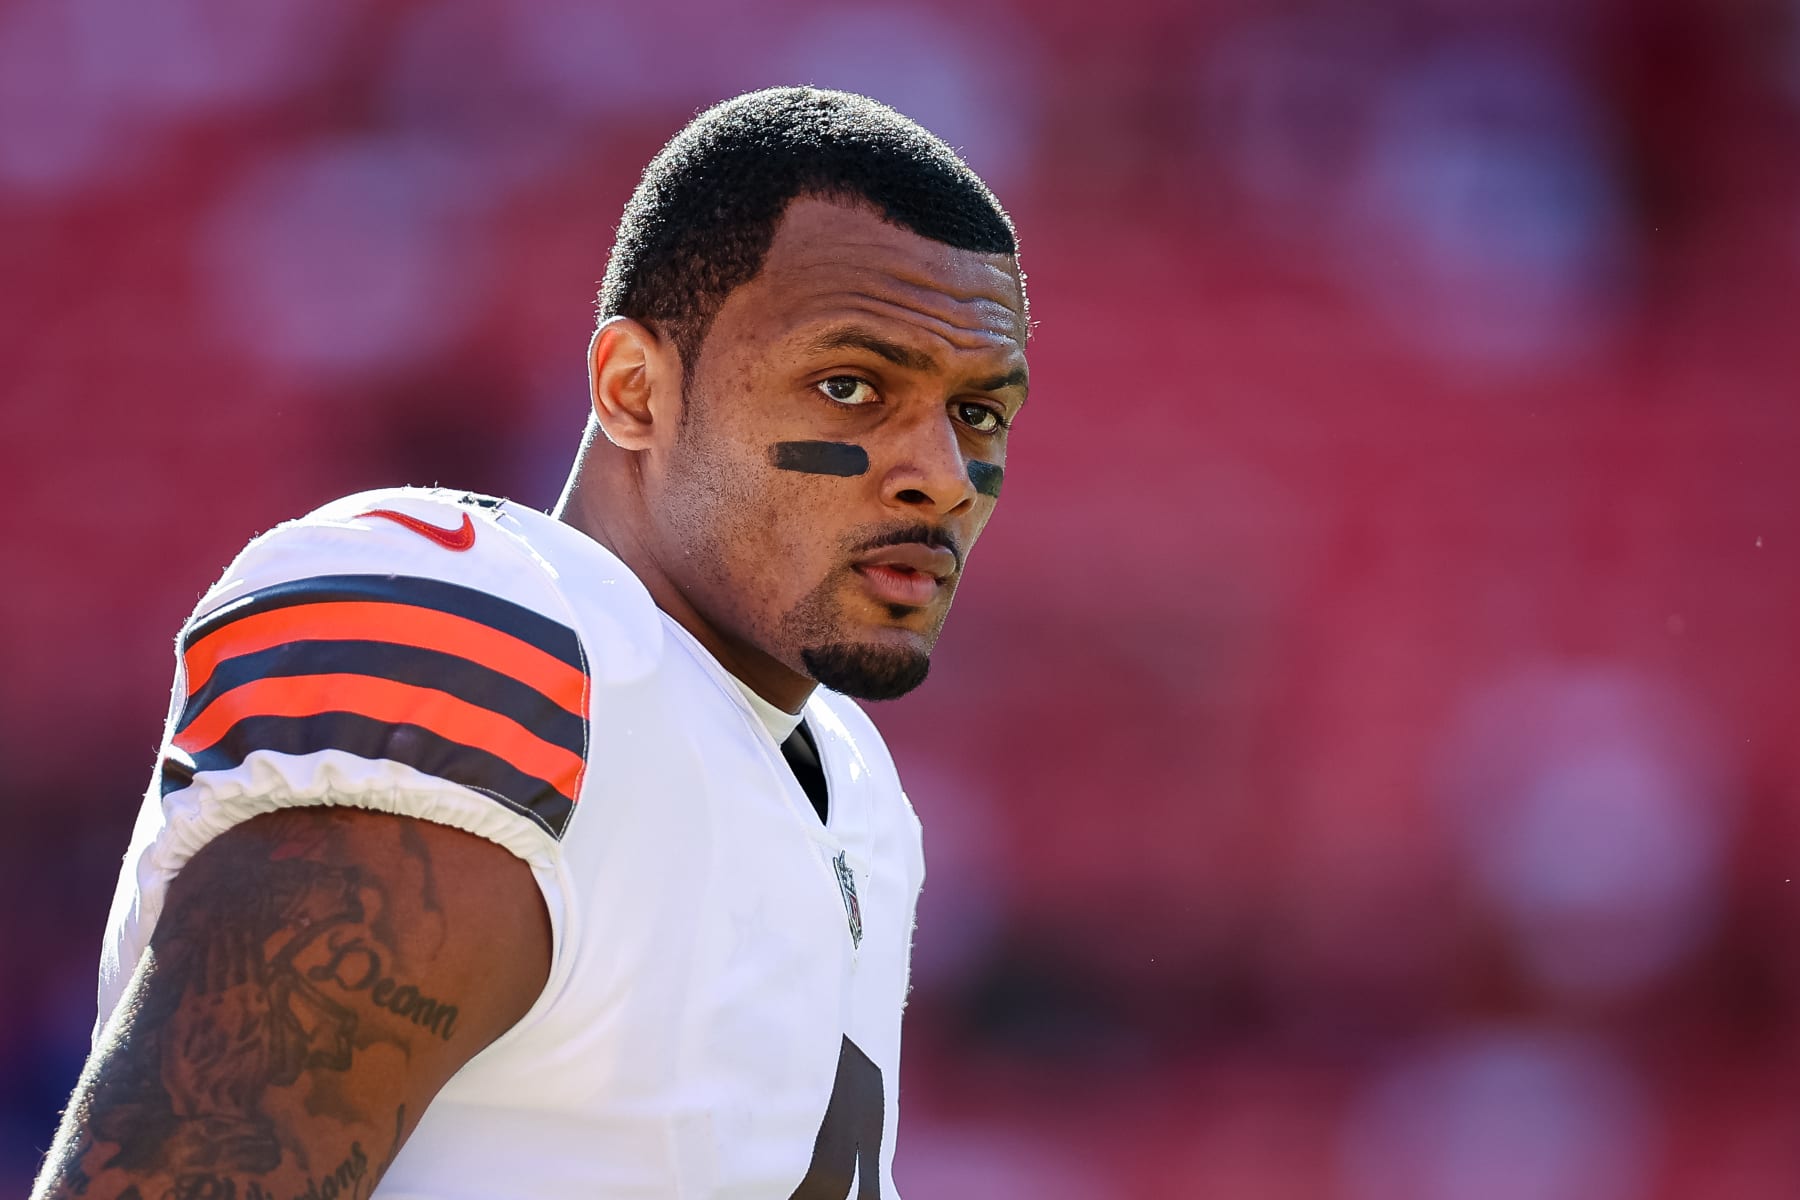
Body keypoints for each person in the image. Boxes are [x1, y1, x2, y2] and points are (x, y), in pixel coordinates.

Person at [31, 86, 1030, 1200]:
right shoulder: (493, 638)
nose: (941, 473)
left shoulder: (851, 789)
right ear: (634, 389)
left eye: (979, 413)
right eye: (850, 387)